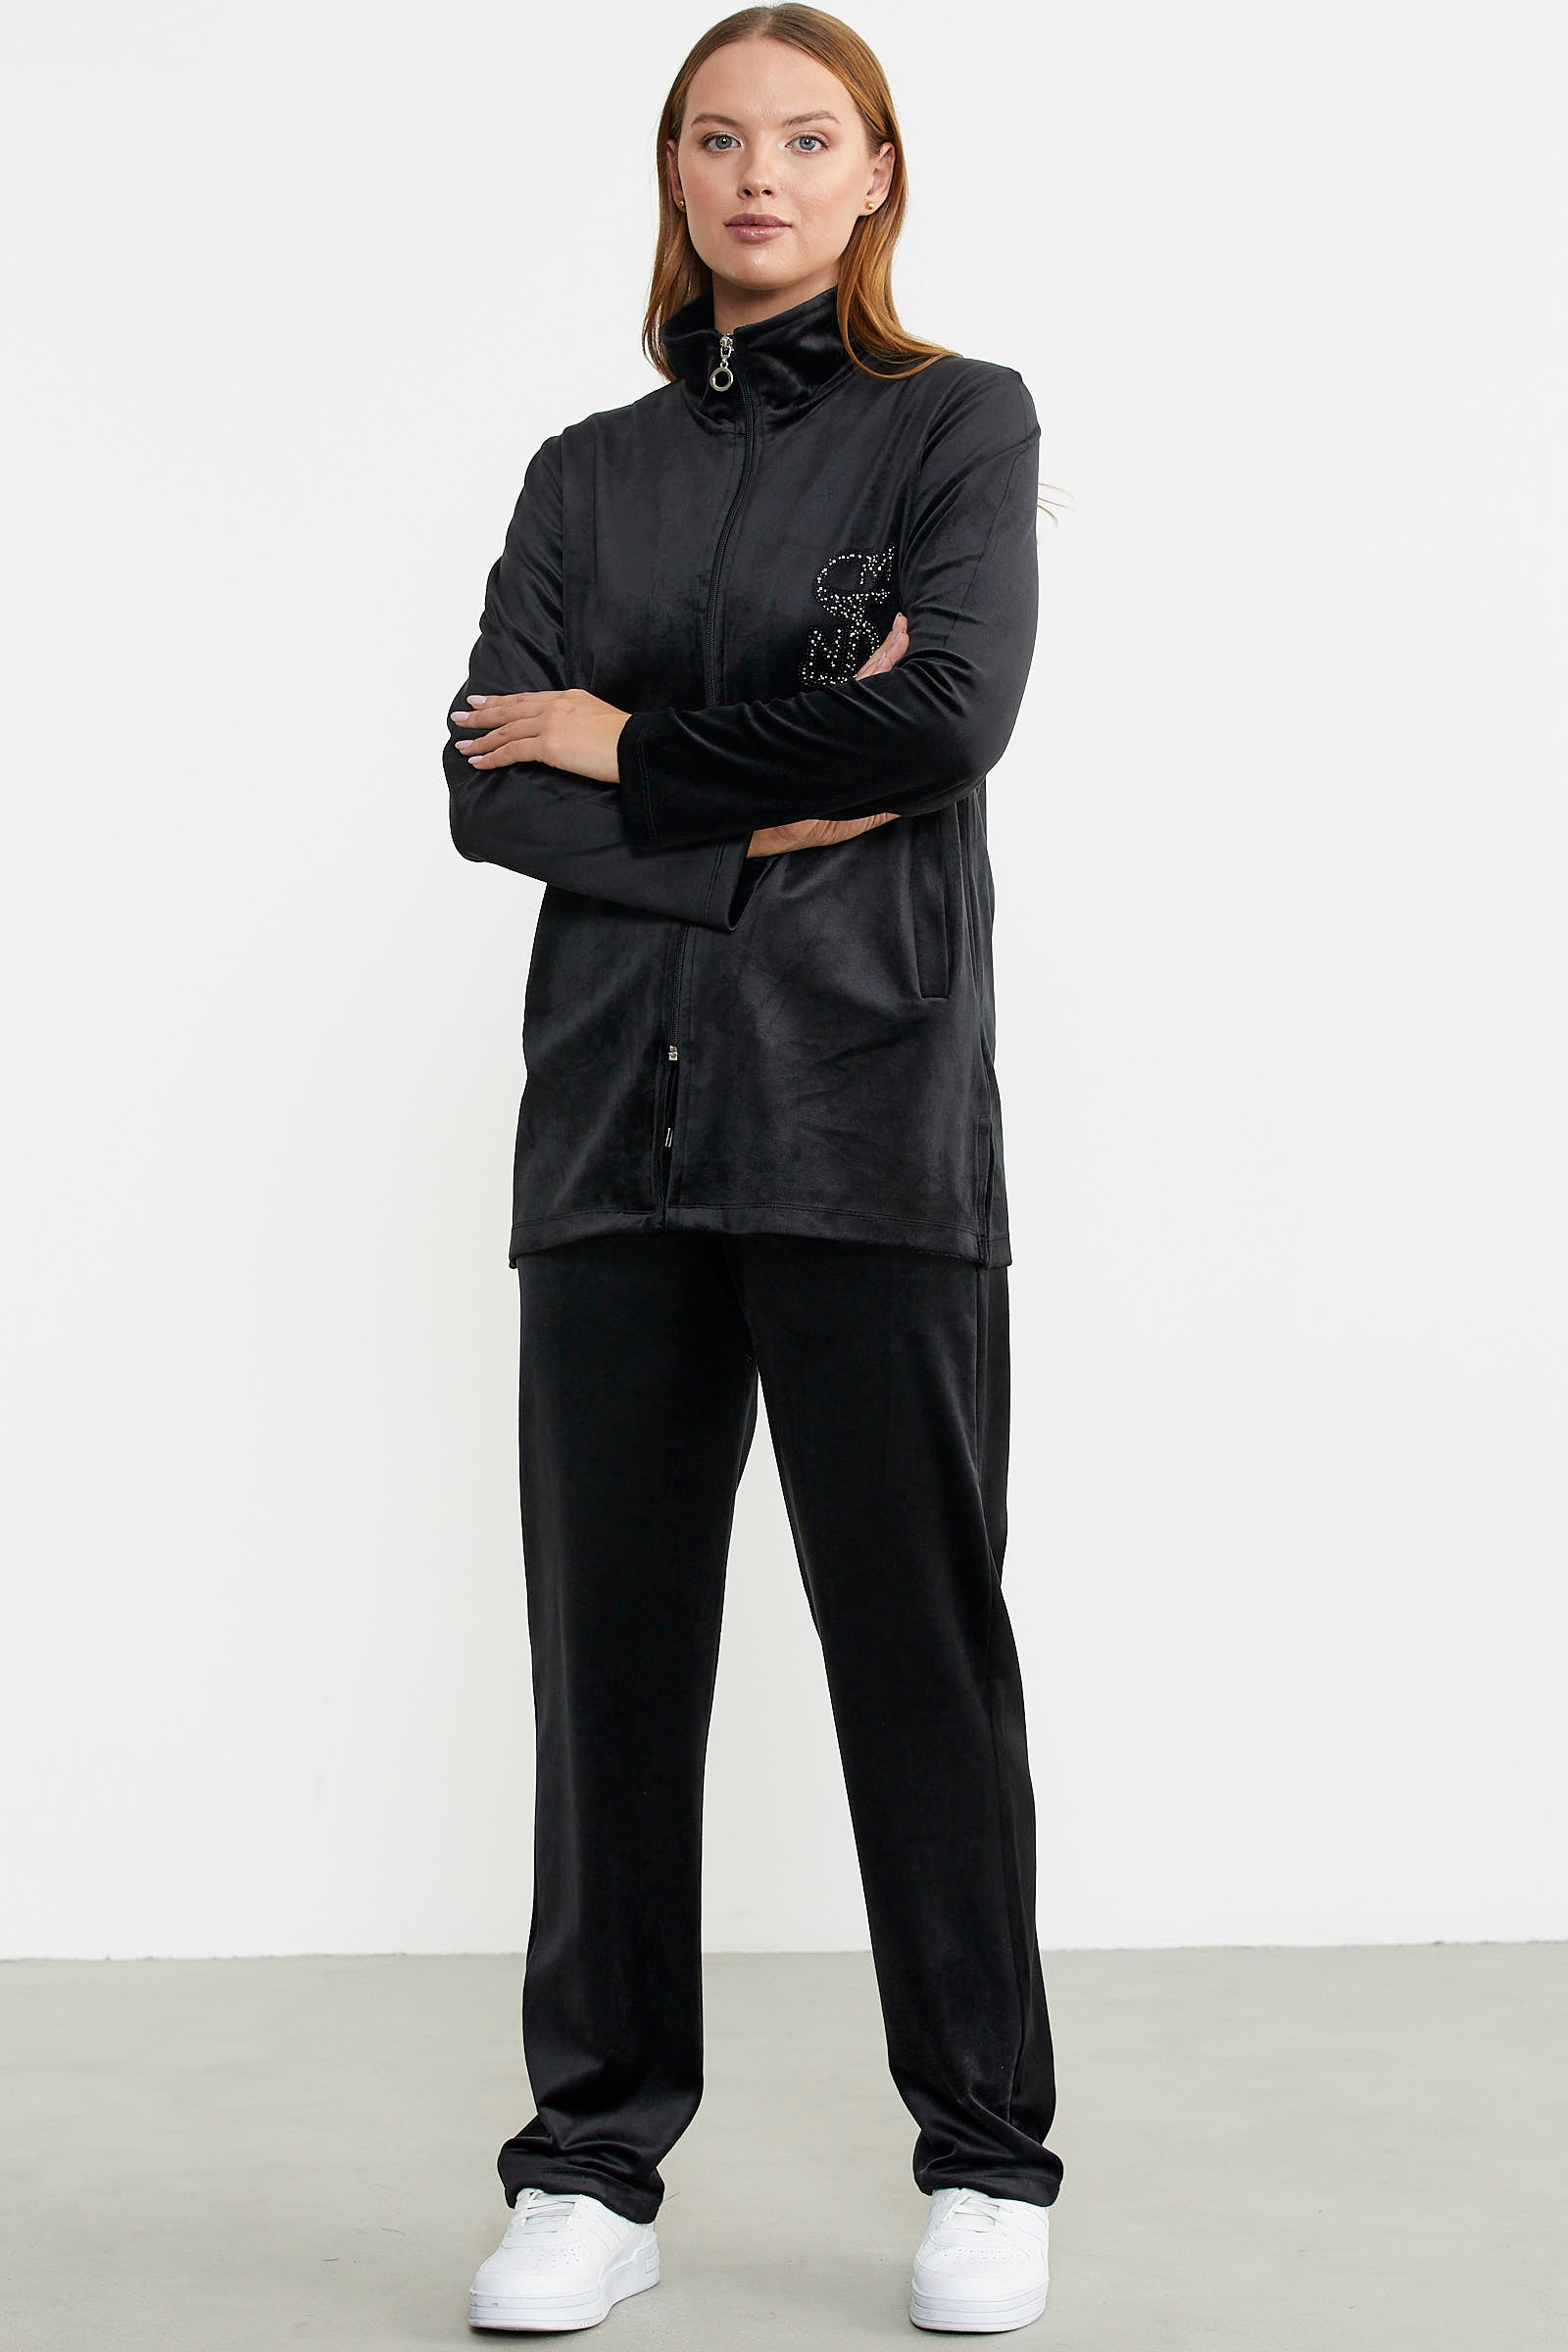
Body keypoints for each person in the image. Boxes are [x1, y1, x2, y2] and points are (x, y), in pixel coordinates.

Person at [446, 7, 1063, 2333]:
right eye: (716, 138)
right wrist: (759, 807)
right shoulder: (582, 474)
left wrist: (629, 748)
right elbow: (484, 786)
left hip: (861, 1125)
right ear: (674, 174)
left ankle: (984, 2158)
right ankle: (588, 2169)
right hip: (607, 1138)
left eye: (806, 137)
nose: (758, 175)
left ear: (874, 172)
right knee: (609, 1673)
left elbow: (947, 713)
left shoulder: (955, 425)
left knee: (917, 1654)